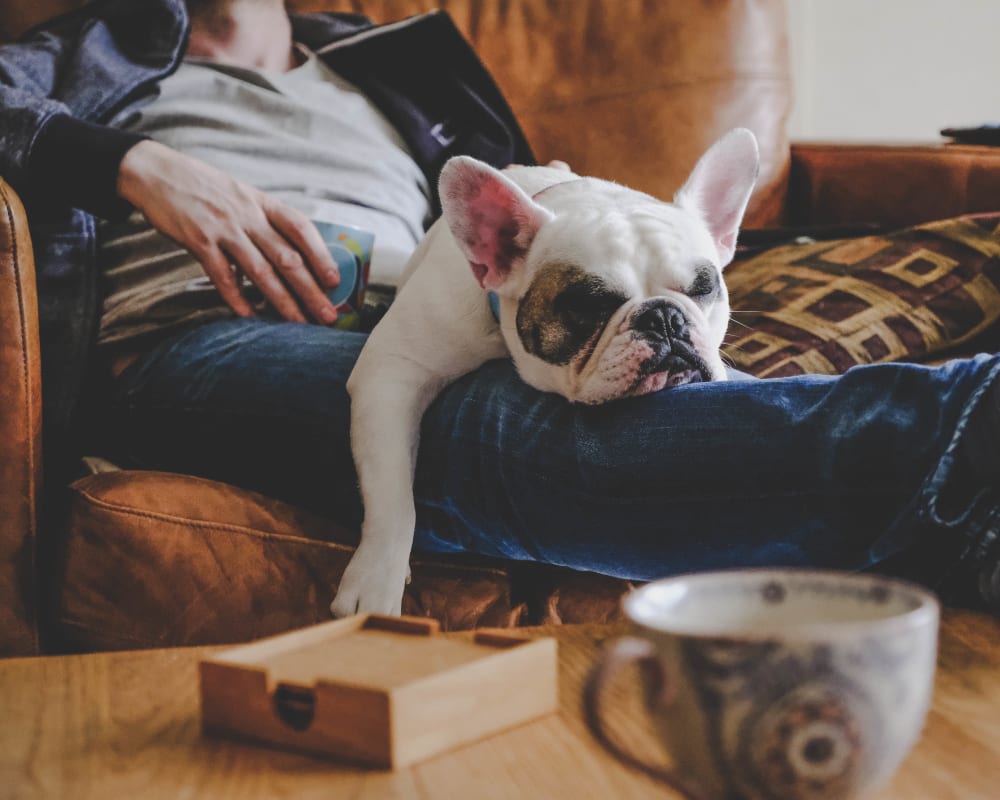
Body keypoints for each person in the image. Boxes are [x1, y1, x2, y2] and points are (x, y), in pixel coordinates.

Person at [4, 0, 1000, 613]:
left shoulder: (396, 65)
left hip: (432, 313)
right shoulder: (76, 58)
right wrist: (136, 164)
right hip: (198, 339)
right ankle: (965, 433)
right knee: (502, 425)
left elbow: (542, 254)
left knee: (588, 397)